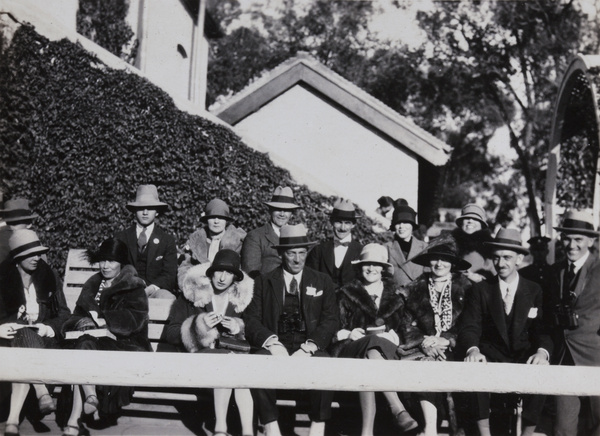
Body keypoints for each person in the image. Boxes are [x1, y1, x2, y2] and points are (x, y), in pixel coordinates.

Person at [244, 224, 338, 436]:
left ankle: (317, 427)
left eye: (302, 253)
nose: (297, 259)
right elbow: (251, 319)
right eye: (291, 253)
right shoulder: (264, 281)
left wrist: (310, 347)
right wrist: (271, 343)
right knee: (258, 362)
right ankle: (271, 427)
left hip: (309, 343)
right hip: (278, 343)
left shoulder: (322, 280)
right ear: (280, 254)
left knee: (325, 364)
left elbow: (331, 319)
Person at [458, 228, 552, 436]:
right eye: (497, 258)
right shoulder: (481, 290)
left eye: (507, 258)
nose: (501, 264)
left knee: (542, 371)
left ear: (519, 258)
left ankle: (527, 433)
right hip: (490, 355)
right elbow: (470, 326)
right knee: (474, 368)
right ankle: (485, 434)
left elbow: (542, 330)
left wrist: (541, 352)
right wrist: (472, 350)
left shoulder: (534, 289)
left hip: (523, 356)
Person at [59, 238, 151, 435]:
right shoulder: (92, 285)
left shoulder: (133, 286)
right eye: (102, 260)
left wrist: (103, 320)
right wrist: (79, 323)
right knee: (84, 344)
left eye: (111, 261)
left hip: (126, 344)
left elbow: (135, 319)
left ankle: (74, 420)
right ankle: (89, 398)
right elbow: (75, 316)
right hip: (91, 342)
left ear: (121, 263)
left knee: (84, 348)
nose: (105, 266)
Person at [164, 249, 254, 436]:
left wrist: (238, 327)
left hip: (233, 361)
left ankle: (247, 431)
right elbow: (171, 333)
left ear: (235, 278)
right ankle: (220, 428)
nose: (222, 277)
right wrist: (200, 325)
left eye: (228, 273)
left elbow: (254, 331)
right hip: (197, 360)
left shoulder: (241, 301)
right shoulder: (192, 295)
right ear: (211, 272)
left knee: (237, 367)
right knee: (228, 364)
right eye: (218, 271)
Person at [333, 243, 418, 436]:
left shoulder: (397, 296)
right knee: (370, 346)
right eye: (366, 264)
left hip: (388, 356)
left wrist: (394, 336)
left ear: (383, 268)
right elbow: (333, 327)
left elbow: (407, 329)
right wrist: (347, 333)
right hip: (350, 351)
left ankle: (367, 432)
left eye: (376, 264)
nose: (371, 269)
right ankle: (398, 408)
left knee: (371, 354)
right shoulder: (344, 294)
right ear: (359, 267)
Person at [0, 230, 70, 436]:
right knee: (23, 335)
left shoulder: (48, 276)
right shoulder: (2, 279)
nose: (37, 258)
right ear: (17, 257)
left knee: (28, 337)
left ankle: (13, 421)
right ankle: (41, 392)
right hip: (9, 341)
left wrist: (49, 327)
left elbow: (64, 313)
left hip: (45, 341)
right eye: (30, 254)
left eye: (39, 253)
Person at [400, 238, 472, 436]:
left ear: (453, 263)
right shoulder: (414, 288)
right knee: (424, 366)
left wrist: (447, 340)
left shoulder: (467, 288)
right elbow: (406, 324)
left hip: (456, 348)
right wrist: (424, 342)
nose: (439, 264)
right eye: (435, 259)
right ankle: (430, 429)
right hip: (422, 348)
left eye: (445, 260)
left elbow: (470, 323)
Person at [548, 210, 600, 436]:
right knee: (563, 429)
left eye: (578, 239)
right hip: (564, 358)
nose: (571, 245)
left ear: (591, 241)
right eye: (567, 238)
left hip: (597, 358)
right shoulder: (555, 270)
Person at [116, 184, 177, 299]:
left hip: (154, 291)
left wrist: (151, 289)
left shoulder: (166, 240)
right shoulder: (121, 237)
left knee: (168, 299)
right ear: (134, 211)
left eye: (150, 208)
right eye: (141, 208)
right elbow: (116, 270)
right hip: (126, 291)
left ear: (157, 212)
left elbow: (169, 275)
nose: (145, 212)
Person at [178, 198, 246, 288]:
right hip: (200, 288)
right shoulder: (195, 242)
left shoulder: (238, 242)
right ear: (206, 220)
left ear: (226, 221)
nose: (216, 221)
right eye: (212, 217)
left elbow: (243, 270)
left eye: (221, 218)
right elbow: (185, 267)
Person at [241, 186, 301, 278]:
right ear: (270, 210)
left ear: (291, 214)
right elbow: (251, 272)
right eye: (278, 209)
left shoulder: (298, 237)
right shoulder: (255, 236)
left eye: (286, 210)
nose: (282, 214)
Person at [306, 199, 363, 288]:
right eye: (339, 222)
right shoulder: (318, 251)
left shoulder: (361, 252)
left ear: (353, 225)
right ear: (332, 222)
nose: (343, 228)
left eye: (347, 223)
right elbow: (309, 280)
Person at [451, 203, 495, 283]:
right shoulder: (450, 243)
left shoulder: (491, 247)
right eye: (467, 218)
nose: (470, 221)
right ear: (461, 223)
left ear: (482, 225)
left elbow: (496, 276)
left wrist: (481, 279)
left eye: (475, 219)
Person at [385, 205, 427, 287]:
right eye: (398, 223)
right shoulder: (386, 248)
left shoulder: (424, 247)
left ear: (412, 225)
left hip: (420, 296)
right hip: (396, 297)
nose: (401, 226)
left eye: (406, 222)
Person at [0, 198, 40, 265]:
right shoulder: (4, 240)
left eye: (15, 223)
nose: (10, 227)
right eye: (8, 223)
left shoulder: (33, 243)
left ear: (28, 224)